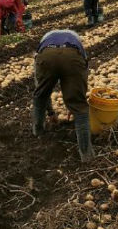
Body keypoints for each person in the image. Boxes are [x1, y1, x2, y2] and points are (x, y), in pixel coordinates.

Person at [32, 30, 94, 162]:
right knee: (81, 108)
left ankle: (38, 131)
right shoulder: (76, 41)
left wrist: (50, 113)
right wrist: (75, 105)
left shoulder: (44, 42)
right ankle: (86, 155)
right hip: (72, 57)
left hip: (47, 56)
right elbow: (83, 78)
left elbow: (41, 91)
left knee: (40, 96)